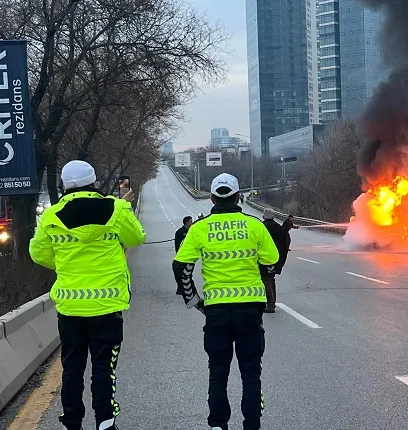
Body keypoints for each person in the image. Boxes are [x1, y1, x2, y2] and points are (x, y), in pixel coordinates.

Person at [29, 160, 146, 430]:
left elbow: (38, 254)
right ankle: (105, 421)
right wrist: (125, 206)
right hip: (107, 306)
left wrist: (67, 264)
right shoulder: (116, 208)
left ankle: (72, 422)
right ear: (94, 181)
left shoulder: (50, 216)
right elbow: (136, 238)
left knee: (72, 369)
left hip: (70, 308)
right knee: (104, 368)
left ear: (64, 186)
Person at [172, 173, 279, 430]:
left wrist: (194, 300)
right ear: (238, 197)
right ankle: (252, 424)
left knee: (218, 372)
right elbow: (272, 261)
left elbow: (181, 266)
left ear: (211, 198)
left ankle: (218, 424)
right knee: (251, 373)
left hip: (217, 311)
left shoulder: (199, 228)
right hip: (250, 309)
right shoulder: (254, 225)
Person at [260, 210, 289, 313]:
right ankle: (270, 302)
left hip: (264, 258)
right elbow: (286, 240)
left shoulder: (262, 227)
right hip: (275, 258)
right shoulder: (278, 227)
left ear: (264, 216)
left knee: (266, 280)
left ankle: (270, 304)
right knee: (270, 279)